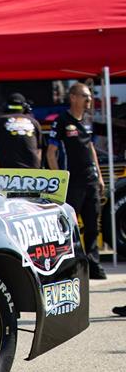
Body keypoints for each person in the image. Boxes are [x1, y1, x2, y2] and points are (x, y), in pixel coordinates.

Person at [46, 82, 106, 279]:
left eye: (89, 97)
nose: (89, 101)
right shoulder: (61, 121)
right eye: (85, 96)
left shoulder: (88, 120)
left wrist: (99, 176)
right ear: (73, 97)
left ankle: (93, 265)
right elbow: (51, 153)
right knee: (69, 226)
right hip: (73, 181)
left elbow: (90, 148)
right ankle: (69, 267)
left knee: (92, 225)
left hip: (90, 179)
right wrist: (60, 180)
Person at [0, 93, 43, 168]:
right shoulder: (34, 123)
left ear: (6, 106)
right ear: (25, 107)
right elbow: (39, 151)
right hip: (31, 173)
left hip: (7, 172)